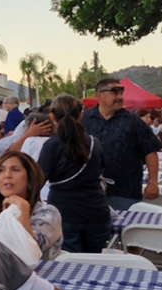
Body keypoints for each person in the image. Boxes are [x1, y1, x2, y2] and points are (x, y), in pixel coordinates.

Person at [39, 94, 110, 255]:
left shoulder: (51, 145)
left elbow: (39, 178)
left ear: (52, 116)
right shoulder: (94, 143)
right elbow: (101, 169)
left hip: (64, 212)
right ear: (81, 115)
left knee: (71, 262)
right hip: (97, 212)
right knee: (95, 262)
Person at [81, 78, 160, 211]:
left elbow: (151, 151)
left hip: (125, 193)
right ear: (99, 95)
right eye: (114, 92)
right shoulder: (84, 119)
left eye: (121, 92)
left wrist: (153, 182)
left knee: (125, 230)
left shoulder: (133, 122)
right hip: (88, 193)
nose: (119, 97)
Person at [0, 151, 63, 260]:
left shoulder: (48, 214)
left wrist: (22, 207)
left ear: (30, 179)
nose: (7, 175)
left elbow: (30, 252)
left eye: (15, 169)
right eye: (1, 170)